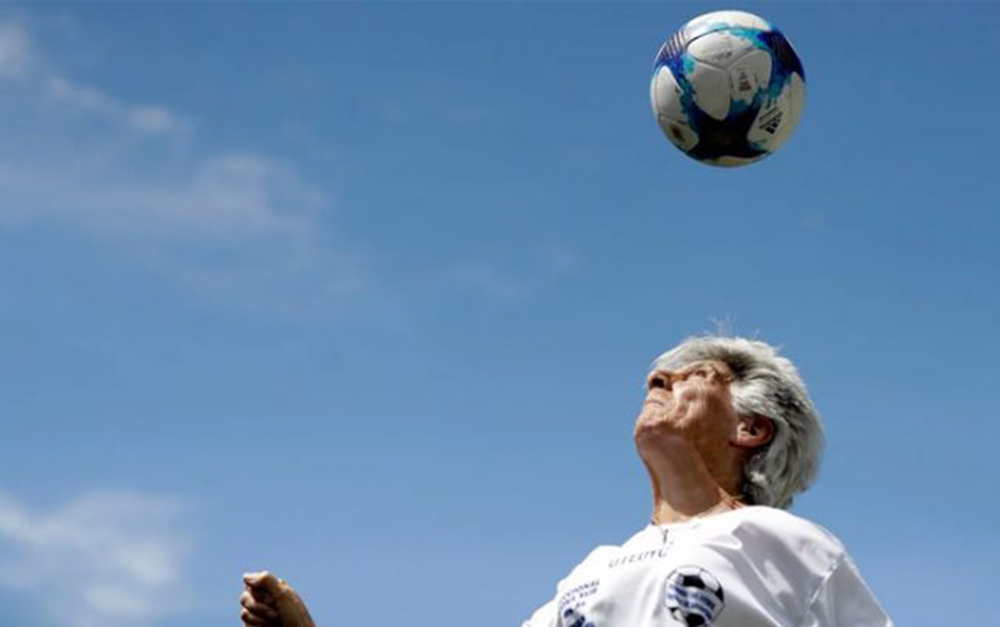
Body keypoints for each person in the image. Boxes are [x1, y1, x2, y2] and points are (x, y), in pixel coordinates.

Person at [239, 336, 894, 627]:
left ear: (751, 428)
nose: (657, 379)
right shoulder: (590, 573)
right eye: (659, 373)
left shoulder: (789, 544)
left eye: (696, 375)